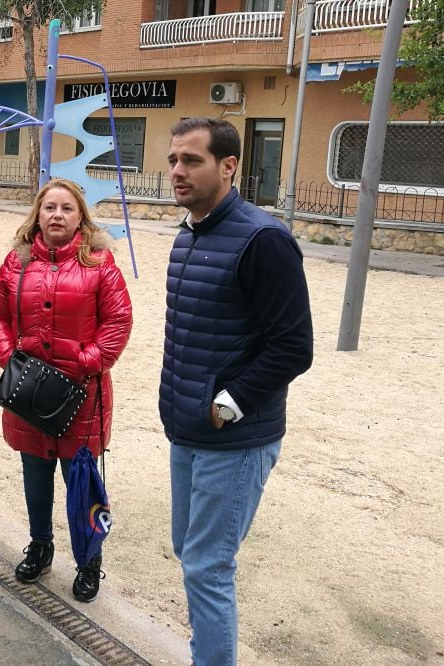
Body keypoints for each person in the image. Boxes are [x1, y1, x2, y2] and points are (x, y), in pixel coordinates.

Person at [161, 117, 313, 666]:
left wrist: (227, 404)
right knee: (192, 554)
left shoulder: (264, 240)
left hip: (235, 438)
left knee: (208, 566)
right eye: (174, 159)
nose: (177, 170)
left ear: (229, 166)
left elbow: (293, 347)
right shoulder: (190, 232)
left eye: (192, 161)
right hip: (186, 429)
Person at [0, 178, 132, 602]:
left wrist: (86, 362)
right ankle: (41, 544)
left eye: (67, 209)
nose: (57, 215)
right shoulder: (17, 262)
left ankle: (89, 561)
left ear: (80, 217)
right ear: (38, 213)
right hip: (29, 393)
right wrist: (10, 358)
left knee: (81, 482)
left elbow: (118, 322)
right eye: (49, 207)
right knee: (35, 476)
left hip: (82, 396)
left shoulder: (99, 263)